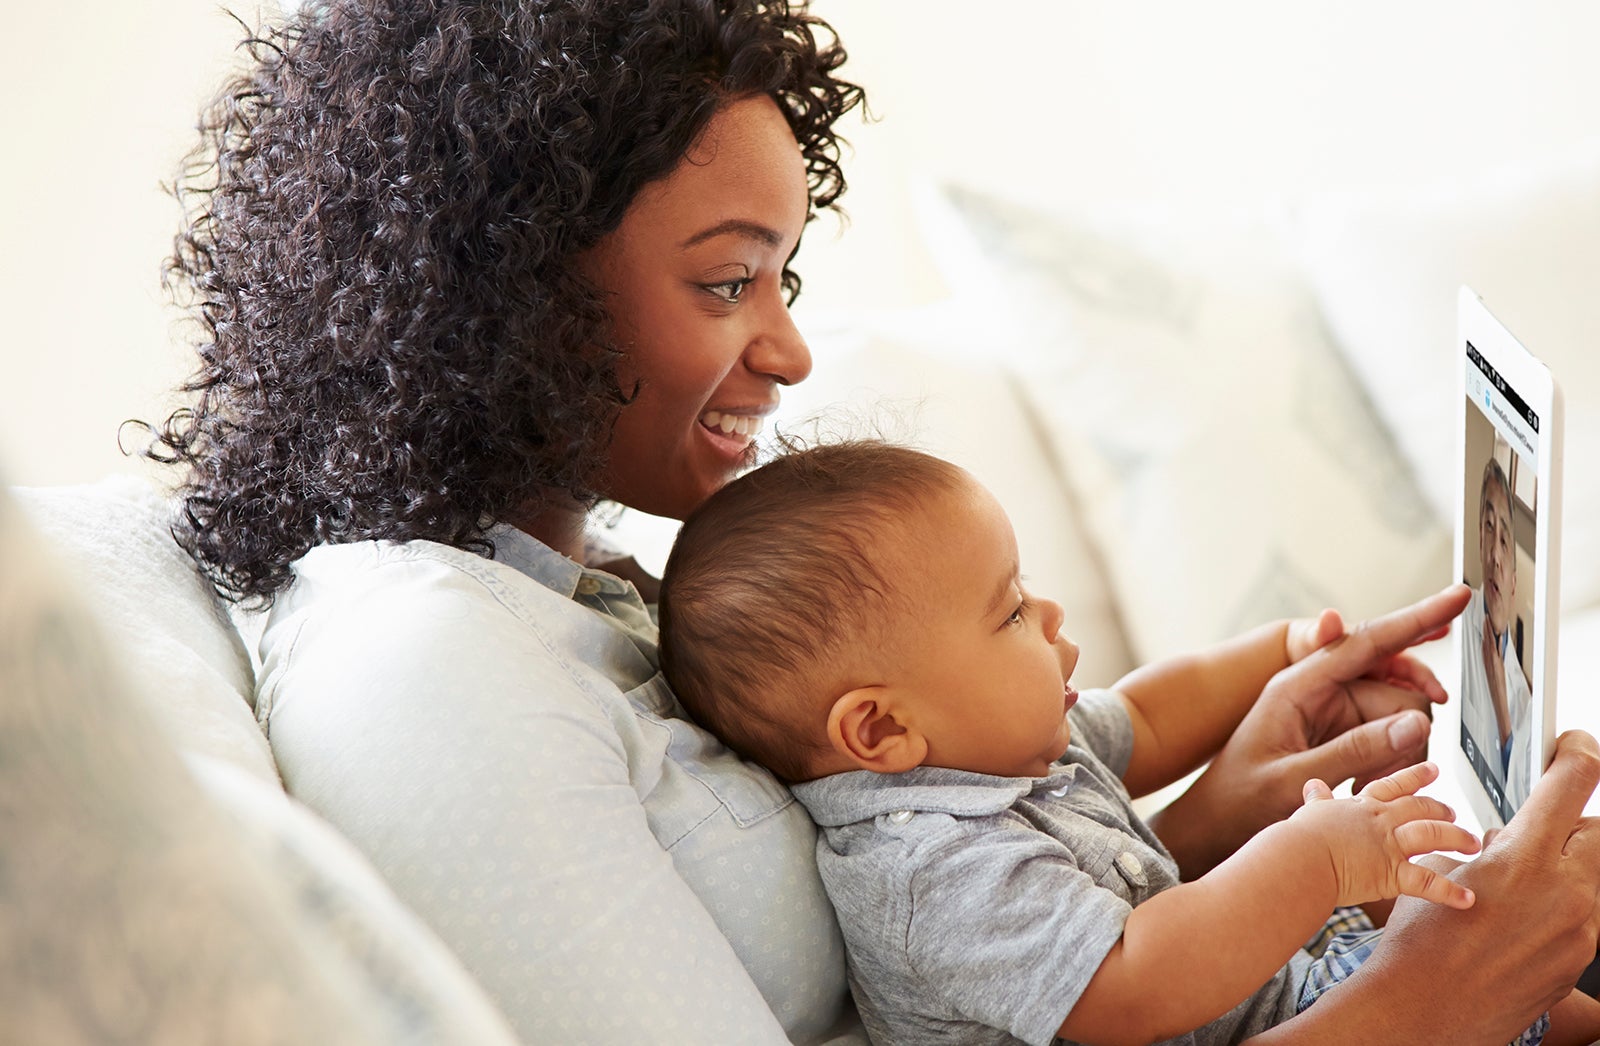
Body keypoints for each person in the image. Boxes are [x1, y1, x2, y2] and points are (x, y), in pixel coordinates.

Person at [148, 1, 1600, 1042]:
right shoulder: (427, 675)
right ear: (508, 288)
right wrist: (1430, 1001)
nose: (787, 350)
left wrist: (1229, 808)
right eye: (728, 282)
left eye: (781, 277)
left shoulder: (584, 591)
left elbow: (1018, 923)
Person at [658, 440, 1600, 1045]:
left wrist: (1283, 648)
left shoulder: (999, 748)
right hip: (1299, 1013)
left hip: (1301, 989)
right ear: (883, 727)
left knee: (1543, 917)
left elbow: (1149, 714)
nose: (1052, 612)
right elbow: (1130, 983)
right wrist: (1313, 862)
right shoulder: (928, 874)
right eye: (1012, 610)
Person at [1461, 457, 1535, 815]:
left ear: (1514, 584)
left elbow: (1521, 812)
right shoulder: (1459, 618)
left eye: (1504, 540)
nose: (1494, 555)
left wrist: (1503, 712)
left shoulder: (1523, 697)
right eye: (1488, 528)